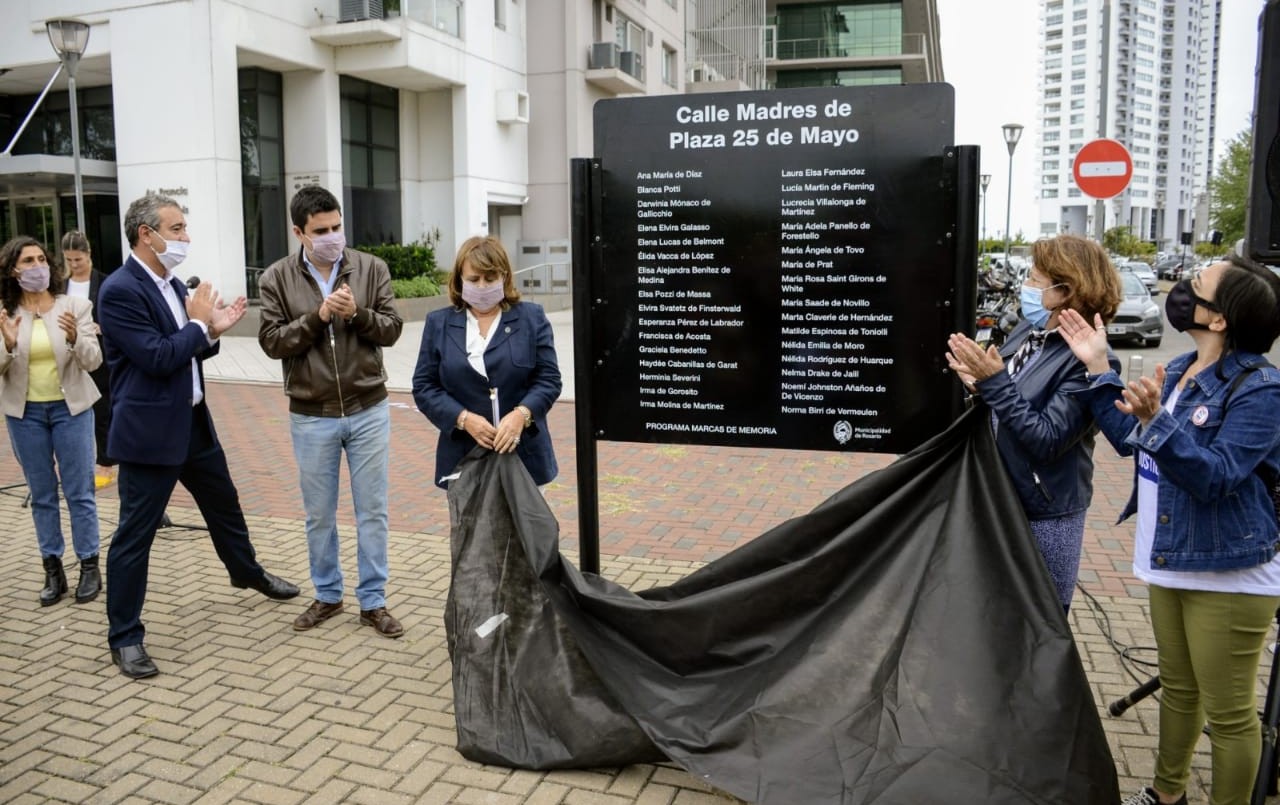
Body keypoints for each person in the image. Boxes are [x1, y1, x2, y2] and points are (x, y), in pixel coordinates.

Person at [1059, 254, 1280, 805]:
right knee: (1179, 689)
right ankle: (1166, 793)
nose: (1181, 289)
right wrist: (1096, 368)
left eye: (1197, 285)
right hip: (1170, 556)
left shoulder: (1261, 389)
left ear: (1220, 318)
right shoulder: (1182, 370)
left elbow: (1218, 477)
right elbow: (1130, 442)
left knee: (1228, 715)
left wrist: (1158, 421)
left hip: (1230, 570)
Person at [98, 193, 300, 680]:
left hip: (192, 422)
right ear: (146, 234)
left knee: (224, 505)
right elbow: (158, 356)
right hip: (149, 433)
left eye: (184, 228)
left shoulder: (170, 284)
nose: (185, 237)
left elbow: (186, 348)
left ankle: (246, 572)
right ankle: (125, 636)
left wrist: (212, 332)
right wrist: (197, 324)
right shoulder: (120, 290)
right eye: (177, 228)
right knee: (135, 536)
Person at [258, 185, 405, 638]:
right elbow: (271, 342)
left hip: (368, 408)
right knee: (319, 514)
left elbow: (393, 330)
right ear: (299, 232)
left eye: (337, 227)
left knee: (372, 511)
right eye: (321, 230)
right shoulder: (276, 278)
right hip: (311, 413)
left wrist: (357, 314)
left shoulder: (370, 268)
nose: (332, 236)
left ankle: (374, 602)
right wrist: (318, 317)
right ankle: (327, 595)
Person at [945, 234, 1122, 610]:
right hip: (998, 498)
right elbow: (1008, 398)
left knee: (1040, 623)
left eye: (1036, 280)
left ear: (1066, 290)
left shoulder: (1090, 361)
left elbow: (1047, 438)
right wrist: (981, 385)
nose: (1026, 286)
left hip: (1043, 513)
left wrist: (995, 383)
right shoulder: (1030, 331)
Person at [412, 235, 562, 490]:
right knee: (472, 531)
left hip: (524, 457)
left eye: (490, 279)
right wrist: (462, 418)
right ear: (459, 280)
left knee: (526, 530)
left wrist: (521, 415)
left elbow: (549, 379)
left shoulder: (531, 318)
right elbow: (425, 386)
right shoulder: (439, 323)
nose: (482, 287)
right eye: (473, 279)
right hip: (463, 459)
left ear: (504, 277)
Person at [0, 236, 103, 606]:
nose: (37, 266)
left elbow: (94, 361)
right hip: (26, 415)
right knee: (42, 495)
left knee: (80, 492)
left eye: (41, 258)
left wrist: (76, 338)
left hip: (71, 410)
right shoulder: (4, 312)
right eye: (28, 260)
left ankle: (90, 565)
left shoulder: (75, 305)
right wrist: (8, 345)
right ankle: (52, 569)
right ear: (13, 269)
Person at [60, 230, 115, 489]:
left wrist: (102, 327)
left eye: (78, 260)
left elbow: (118, 317)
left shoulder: (106, 283)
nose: (73, 265)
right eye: (69, 260)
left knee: (102, 409)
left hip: (99, 353)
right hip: (68, 355)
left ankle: (105, 462)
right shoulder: (60, 286)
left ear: (89, 254)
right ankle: (78, 463)